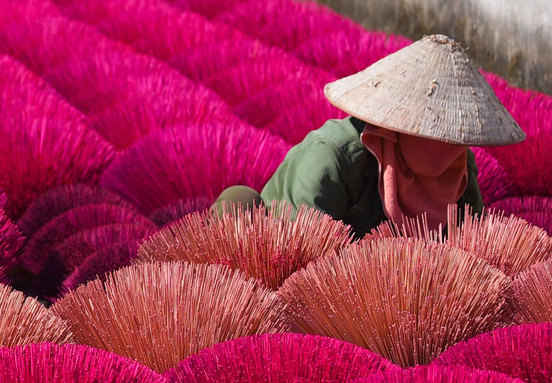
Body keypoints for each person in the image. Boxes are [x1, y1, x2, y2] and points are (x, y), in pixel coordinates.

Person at [214, 34, 526, 235]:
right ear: (402, 124)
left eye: (457, 137)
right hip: (288, 251)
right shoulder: (331, 159)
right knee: (237, 201)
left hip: (391, 296)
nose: (453, 147)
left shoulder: (459, 167)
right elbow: (304, 259)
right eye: (437, 131)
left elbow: (472, 245)